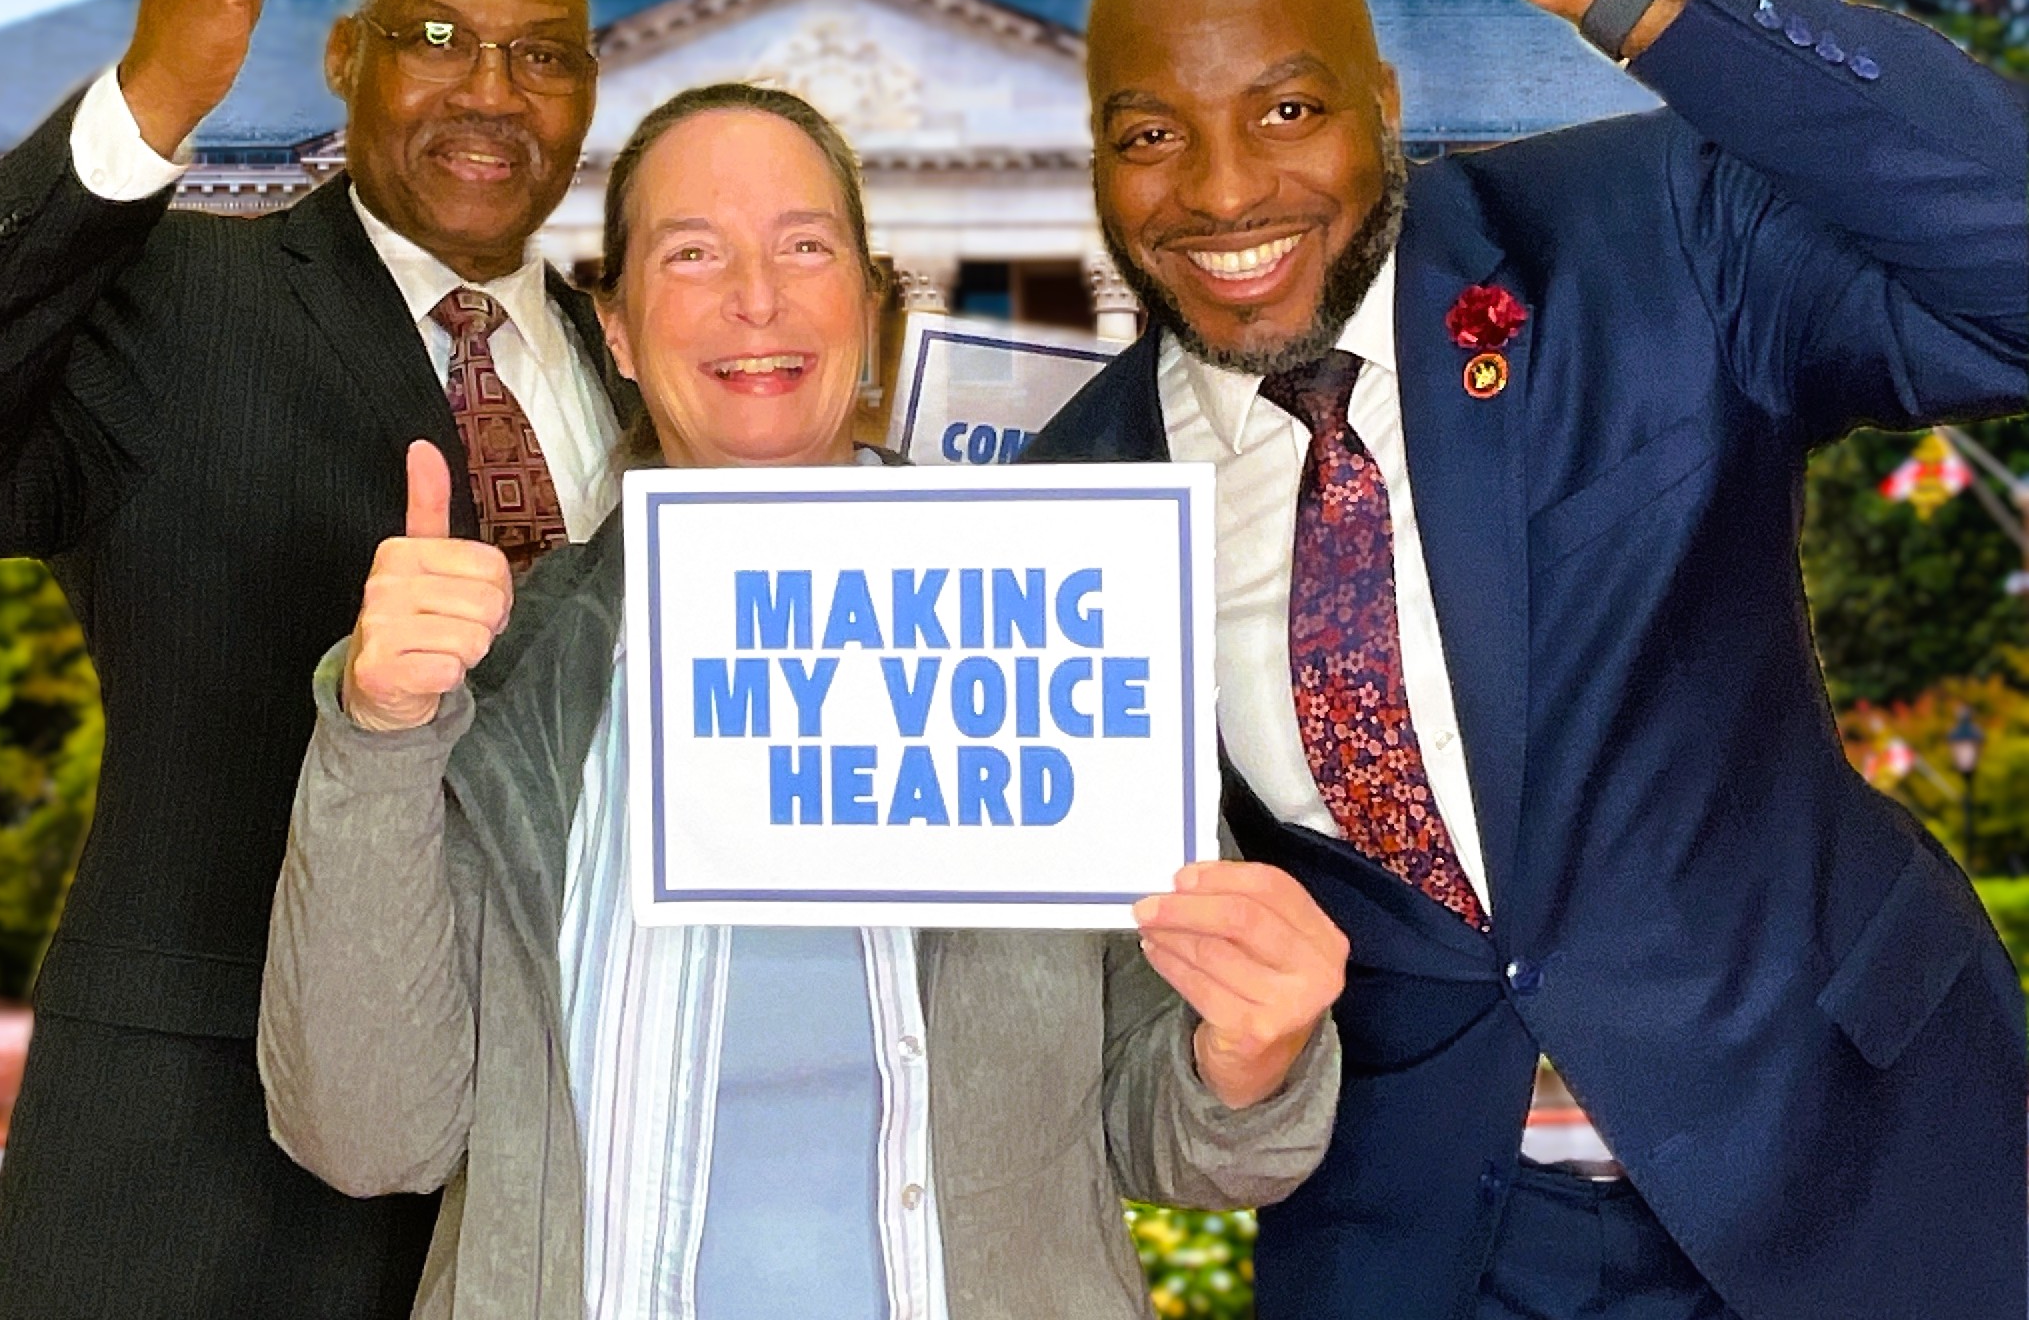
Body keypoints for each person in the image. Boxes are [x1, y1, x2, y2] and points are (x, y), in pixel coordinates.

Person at [1028, 0, 2029, 1320]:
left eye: (1285, 108)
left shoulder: (1643, 236)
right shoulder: (1076, 490)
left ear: (1383, 105)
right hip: (1423, 1243)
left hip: (1843, 1169)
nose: (1221, 188)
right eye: (1148, 134)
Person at [258, 81, 1349, 1320]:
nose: (756, 298)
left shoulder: (1048, 620)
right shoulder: (497, 672)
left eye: (805, 246)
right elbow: (367, 1134)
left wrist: (1251, 1044)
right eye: (692, 253)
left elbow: (1190, 1140)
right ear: (616, 329)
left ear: (871, 308)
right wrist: (380, 732)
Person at [0, 0, 634, 1320]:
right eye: (436, 37)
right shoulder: (176, 301)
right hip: (202, 1196)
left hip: (567, 1194)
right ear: (344, 56)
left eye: (543, 54)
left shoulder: (650, 394)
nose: (491, 90)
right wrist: (159, 89)